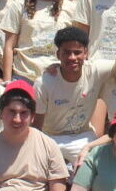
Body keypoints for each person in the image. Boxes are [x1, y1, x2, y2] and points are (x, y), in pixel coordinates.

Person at [0, 0, 74, 84]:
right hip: (23, 75)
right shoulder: (19, 5)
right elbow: (9, 46)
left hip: (57, 77)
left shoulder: (70, 7)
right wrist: (7, 80)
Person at [34, 27, 104, 166]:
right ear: (58, 54)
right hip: (50, 137)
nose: (72, 58)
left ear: (86, 53)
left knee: (94, 168)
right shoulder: (44, 82)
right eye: (66, 52)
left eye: (77, 52)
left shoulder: (96, 71)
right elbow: (36, 127)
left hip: (82, 137)